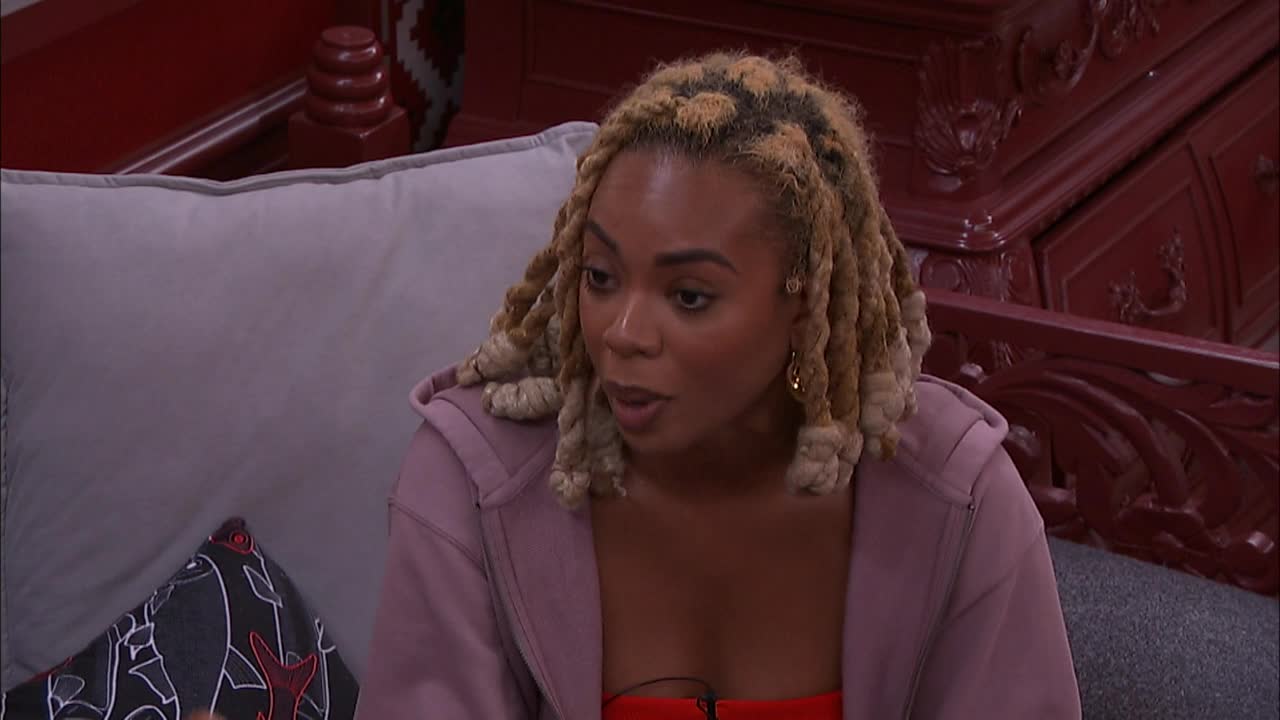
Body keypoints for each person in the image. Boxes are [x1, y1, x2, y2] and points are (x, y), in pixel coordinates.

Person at [355, 52, 1081, 719]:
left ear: (805, 305)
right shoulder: (472, 485)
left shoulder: (954, 497)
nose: (623, 333)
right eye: (601, 277)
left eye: (689, 296)